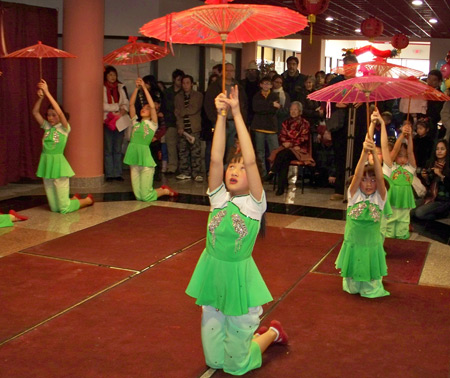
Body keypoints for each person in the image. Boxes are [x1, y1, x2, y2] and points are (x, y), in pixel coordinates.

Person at [186, 86, 287, 376]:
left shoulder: (254, 205)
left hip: (239, 281)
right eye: (233, 165)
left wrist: (238, 114)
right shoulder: (218, 198)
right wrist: (220, 116)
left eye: (240, 168)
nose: (233, 169)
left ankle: (271, 334)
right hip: (213, 277)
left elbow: (253, 159)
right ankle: (248, 341)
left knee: (236, 366)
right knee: (215, 361)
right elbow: (215, 158)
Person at [335, 116, 389, 298]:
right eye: (365, 180)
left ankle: (370, 286)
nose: (368, 184)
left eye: (372, 180)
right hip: (354, 241)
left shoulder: (379, 198)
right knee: (352, 283)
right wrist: (365, 153)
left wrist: (374, 154)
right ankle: (353, 284)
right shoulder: (354, 195)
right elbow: (357, 173)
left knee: (370, 282)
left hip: (371, 243)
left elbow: (381, 178)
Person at [32, 79, 94, 213]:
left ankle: (87, 200)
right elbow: (35, 113)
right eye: (48, 115)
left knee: (63, 208)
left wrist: (48, 92)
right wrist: (41, 98)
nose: (50, 118)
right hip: (46, 164)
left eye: (53, 115)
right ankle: (72, 199)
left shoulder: (64, 128)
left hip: (59, 165)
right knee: (54, 208)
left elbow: (60, 113)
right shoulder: (47, 127)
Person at [124, 78, 177, 201]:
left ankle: (164, 190)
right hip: (134, 158)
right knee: (138, 196)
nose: (144, 109)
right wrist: (137, 89)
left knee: (146, 197)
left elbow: (153, 107)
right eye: (143, 108)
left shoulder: (152, 124)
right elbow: (131, 105)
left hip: (146, 161)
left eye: (147, 108)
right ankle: (160, 189)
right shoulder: (135, 123)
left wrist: (144, 88)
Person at [266, 102, 314, 195]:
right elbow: (282, 136)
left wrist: (291, 143)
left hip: (299, 150)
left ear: (300, 111)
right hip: (287, 149)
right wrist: (286, 143)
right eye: (291, 109)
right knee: (284, 158)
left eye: (295, 109)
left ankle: (272, 172)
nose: (293, 111)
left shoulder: (305, 123)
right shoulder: (286, 122)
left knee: (283, 154)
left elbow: (304, 138)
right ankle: (280, 188)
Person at [381, 119, 416, 239]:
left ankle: (402, 238)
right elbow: (395, 150)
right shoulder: (391, 167)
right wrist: (401, 136)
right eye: (400, 156)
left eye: (405, 157)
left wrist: (409, 136)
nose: (403, 159)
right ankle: (389, 240)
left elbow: (411, 152)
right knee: (389, 221)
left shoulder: (410, 168)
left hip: (405, 199)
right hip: (392, 198)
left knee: (404, 220)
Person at [204, 63, 247, 159]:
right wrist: (215, 119)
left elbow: (244, 104)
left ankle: (228, 170)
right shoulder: (215, 86)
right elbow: (208, 105)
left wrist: (242, 119)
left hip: (234, 122)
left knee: (232, 150)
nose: (229, 72)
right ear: (222, 71)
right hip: (220, 121)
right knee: (218, 149)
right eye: (227, 70)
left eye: (231, 70)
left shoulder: (238, 86)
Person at [174, 75, 204, 182]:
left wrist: (181, 112)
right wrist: (180, 127)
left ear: (191, 84)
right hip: (183, 128)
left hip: (194, 127)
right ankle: (185, 172)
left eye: (187, 83)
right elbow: (177, 114)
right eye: (183, 83)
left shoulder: (198, 95)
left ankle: (196, 173)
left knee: (195, 151)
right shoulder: (178, 97)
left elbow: (194, 109)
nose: (185, 85)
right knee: (183, 151)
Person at [412, 139, 450, 221]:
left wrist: (440, 175)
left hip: (443, 200)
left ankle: (442, 214)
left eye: (442, 149)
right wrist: (425, 178)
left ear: (447, 151)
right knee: (410, 209)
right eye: (437, 149)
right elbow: (428, 186)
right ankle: (430, 212)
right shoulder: (431, 163)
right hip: (430, 197)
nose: (439, 151)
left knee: (419, 213)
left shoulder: (448, 166)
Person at [103, 65, 129, 182]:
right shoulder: (102, 88)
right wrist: (116, 107)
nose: (112, 77)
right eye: (110, 75)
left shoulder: (120, 87)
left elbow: (126, 103)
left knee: (118, 148)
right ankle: (109, 174)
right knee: (109, 148)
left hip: (119, 121)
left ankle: (118, 173)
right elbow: (102, 105)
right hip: (107, 121)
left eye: (114, 75)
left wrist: (122, 111)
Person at [250, 76, 280, 177]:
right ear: (261, 85)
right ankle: (262, 174)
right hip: (259, 126)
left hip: (271, 127)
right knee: (260, 152)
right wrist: (271, 104)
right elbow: (256, 108)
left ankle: (273, 173)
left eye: (268, 83)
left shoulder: (275, 95)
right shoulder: (256, 95)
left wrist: (265, 106)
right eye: (264, 83)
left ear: (271, 86)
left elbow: (274, 110)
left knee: (274, 151)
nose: (266, 85)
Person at [164, 68, 185, 174]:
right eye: (178, 80)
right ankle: (172, 167)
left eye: (181, 80)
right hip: (171, 122)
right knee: (171, 145)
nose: (180, 83)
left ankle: (183, 168)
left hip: (183, 122)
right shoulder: (167, 92)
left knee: (182, 147)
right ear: (173, 80)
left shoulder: (184, 92)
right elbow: (164, 106)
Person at [240, 60, 260, 127]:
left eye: (253, 70)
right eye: (250, 70)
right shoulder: (242, 83)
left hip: (256, 111)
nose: (251, 72)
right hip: (245, 110)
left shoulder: (261, 84)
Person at [426, 69, 444, 140]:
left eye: (434, 80)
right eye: (429, 79)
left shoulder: (441, 97)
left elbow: (439, 113)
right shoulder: (423, 92)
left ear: (439, 82)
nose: (430, 82)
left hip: (434, 126)